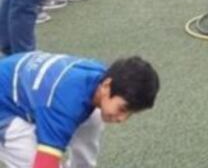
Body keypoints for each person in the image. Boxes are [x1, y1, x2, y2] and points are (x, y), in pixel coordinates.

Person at [0, 51, 158, 168]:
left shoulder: (98, 77)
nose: (122, 119)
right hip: (5, 110)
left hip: (18, 91)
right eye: (123, 109)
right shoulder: (63, 106)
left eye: (130, 113)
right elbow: (44, 164)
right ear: (107, 85)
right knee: (32, 160)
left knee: (94, 115)